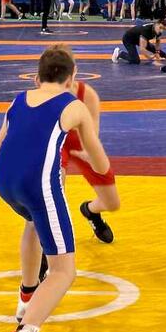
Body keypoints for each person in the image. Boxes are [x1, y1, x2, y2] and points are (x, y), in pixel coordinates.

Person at [0, 45, 110, 332]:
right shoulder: (74, 105)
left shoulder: (18, 100)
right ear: (71, 78)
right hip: (37, 186)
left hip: (3, 183)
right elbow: (99, 163)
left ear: (37, 77)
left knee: (32, 221)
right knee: (63, 270)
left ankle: (27, 297)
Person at [61, 79, 120, 243]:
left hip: (81, 142)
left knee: (112, 203)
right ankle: (48, 244)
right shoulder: (44, 95)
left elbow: (92, 134)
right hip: (56, 141)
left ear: (73, 72)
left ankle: (90, 211)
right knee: (55, 191)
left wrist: (91, 153)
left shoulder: (88, 95)